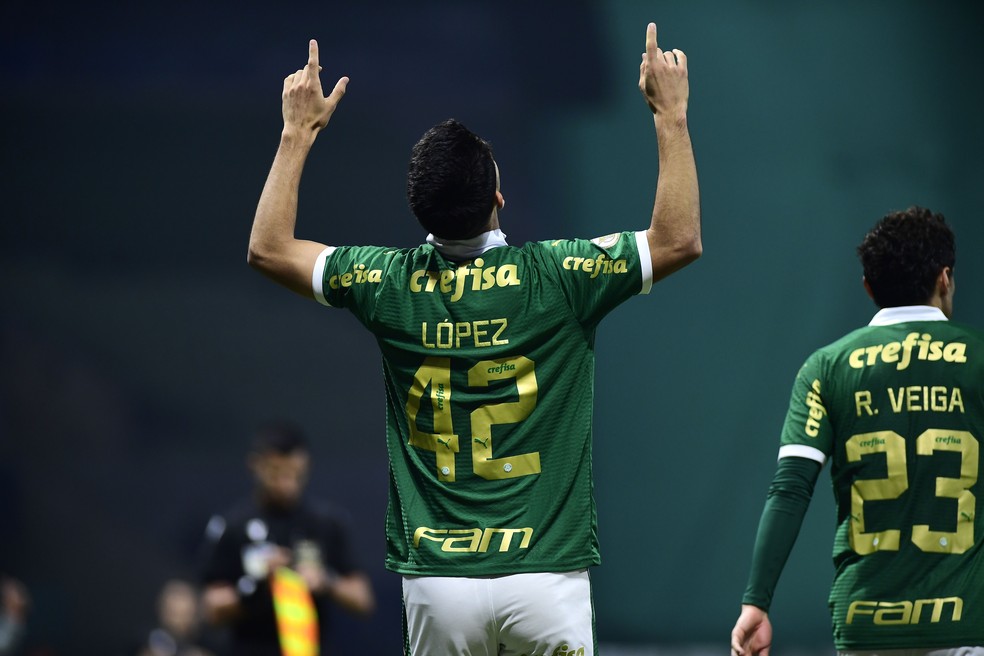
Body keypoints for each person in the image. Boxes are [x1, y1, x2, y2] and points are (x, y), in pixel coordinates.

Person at [247, 23, 700, 656]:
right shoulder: (558, 277)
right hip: (545, 572)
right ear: (498, 196)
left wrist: (298, 132)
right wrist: (670, 115)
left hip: (439, 581)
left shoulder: (387, 283)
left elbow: (268, 249)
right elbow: (678, 239)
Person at [730, 207, 984, 656]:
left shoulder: (825, 368)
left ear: (868, 286)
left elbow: (789, 490)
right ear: (944, 278)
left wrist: (757, 603)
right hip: (966, 622)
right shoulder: (979, 356)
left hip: (865, 624)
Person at [199, 422, 375, 656]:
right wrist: (257, 584)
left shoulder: (325, 523)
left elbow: (363, 600)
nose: (287, 483)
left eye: (296, 474)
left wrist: (326, 580)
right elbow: (211, 610)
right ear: (256, 465)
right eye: (277, 473)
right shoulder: (232, 526)